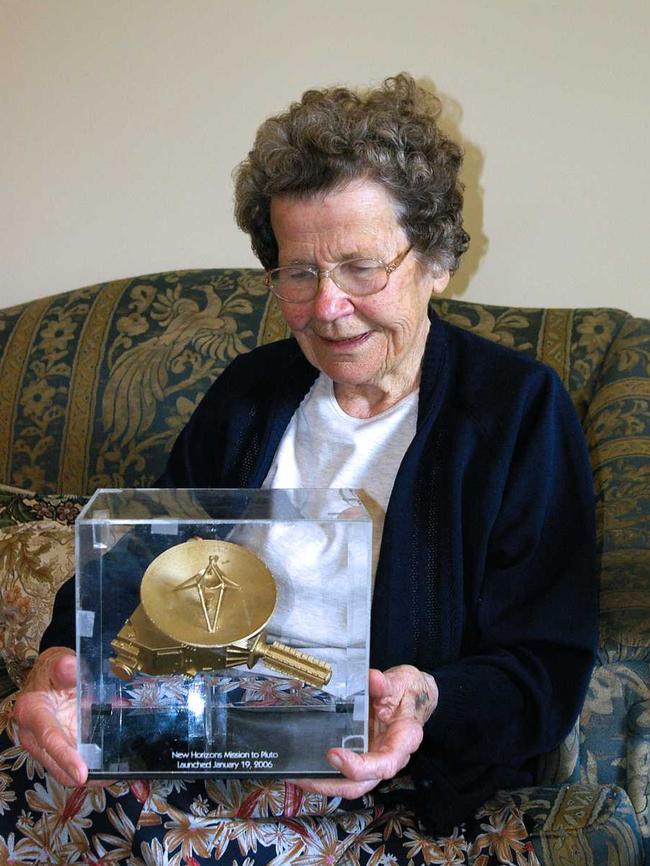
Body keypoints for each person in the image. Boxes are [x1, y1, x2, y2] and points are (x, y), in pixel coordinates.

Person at [9, 74, 597, 862]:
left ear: (435, 261)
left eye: (362, 267)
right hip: (201, 748)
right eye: (299, 273)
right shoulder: (249, 394)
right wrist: (63, 658)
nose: (327, 307)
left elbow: (543, 668)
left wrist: (423, 703)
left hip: (388, 792)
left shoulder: (516, 409)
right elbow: (146, 562)